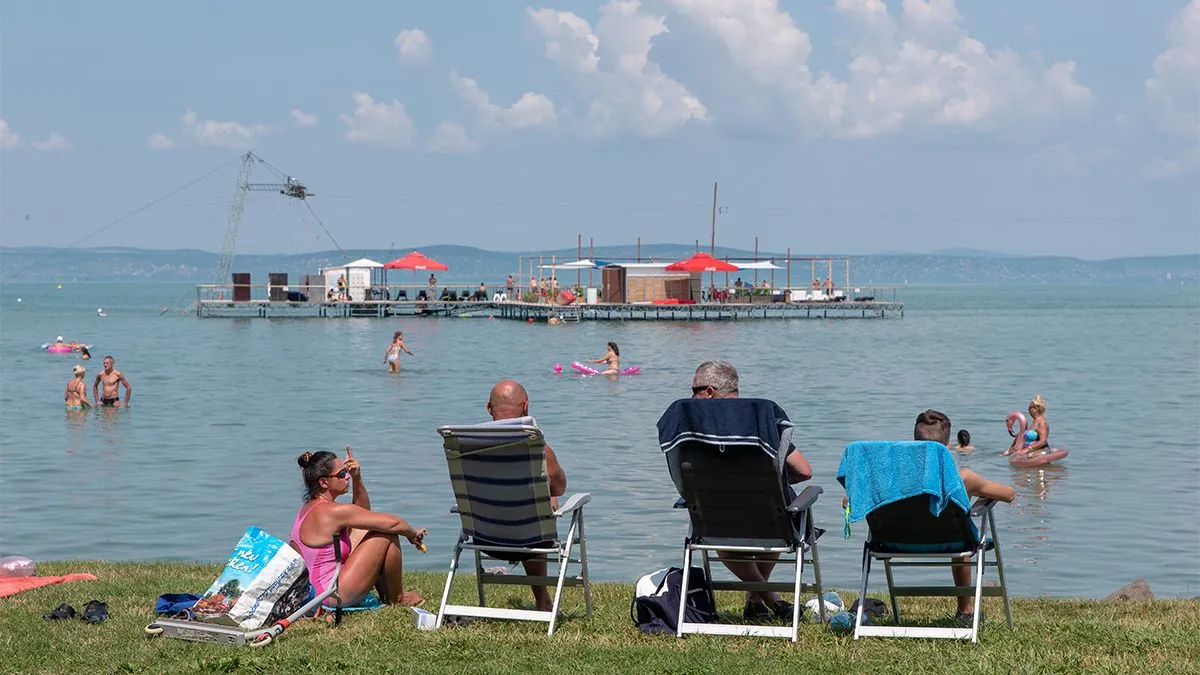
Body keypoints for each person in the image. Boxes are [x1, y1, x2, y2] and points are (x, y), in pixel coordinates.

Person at [690, 360, 813, 620]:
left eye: (695, 390)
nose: (691, 397)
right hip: (773, 521)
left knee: (724, 539)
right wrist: (765, 486)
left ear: (710, 391)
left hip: (717, 523)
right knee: (782, 520)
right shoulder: (762, 419)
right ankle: (770, 599)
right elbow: (803, 471)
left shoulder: (692, 428)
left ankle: (762, 598)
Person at [913, 410, 1014, 625]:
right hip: (952, 541)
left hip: (894, 542)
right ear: (947, 446)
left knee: (957, 533)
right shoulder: (963, 478)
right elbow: (1009, 495)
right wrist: (979, 491)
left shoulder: (895, 480)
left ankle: (965, 610)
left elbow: (849, 500)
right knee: (961, 538)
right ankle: (965, 611)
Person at [293, 447, 426, 607]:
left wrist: (357, 478)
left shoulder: (310, 507)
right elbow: (394, 523)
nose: (347, 476)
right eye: (342, 474)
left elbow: (362, 515)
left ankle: (388, 595)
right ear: (323, 482)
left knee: (371, 528)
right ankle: (398, 598)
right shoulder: (332, 511)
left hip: (313, 594)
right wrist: (413, 534)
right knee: (387, 534)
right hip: (330, 595)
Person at [485, 379, 567, 612]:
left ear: (489, 408)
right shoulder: (539, 450)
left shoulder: (464, 446)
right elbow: (560, 487)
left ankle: (543, 600)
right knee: (542, 506)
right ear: (526, 406)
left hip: (484, 538)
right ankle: (542, 600)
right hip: (531, 539)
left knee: (532, 506)